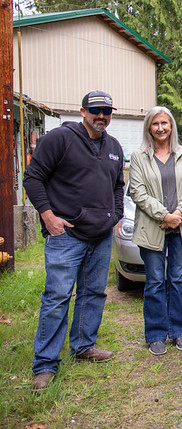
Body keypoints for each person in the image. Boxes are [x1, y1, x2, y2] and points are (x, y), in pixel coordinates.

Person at [24, 90, 124, 391]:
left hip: (101, 235)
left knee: (93, 293)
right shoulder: (59, 140)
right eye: (96, 110)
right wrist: (48, 216)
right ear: (82, 112)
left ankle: (83, 346)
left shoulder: (114, 147)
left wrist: (115, 214)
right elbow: (32, 178)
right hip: (66, 235)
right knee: (56, 298)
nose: (102, 116)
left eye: (107, 111)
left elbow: (118, 184)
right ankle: (45, 363)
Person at [129, 107, 182, 356]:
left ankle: (180, 332)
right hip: (153, 228)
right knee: (156, 281)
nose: (161, 128)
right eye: (155, 123)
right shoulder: (139, 156)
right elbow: (137, 191)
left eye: (165, 123)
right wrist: (164, 215)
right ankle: (156, 334)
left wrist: (177, 214)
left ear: (172, 126)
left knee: (178, 280)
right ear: (149, 127)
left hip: (181, 227)